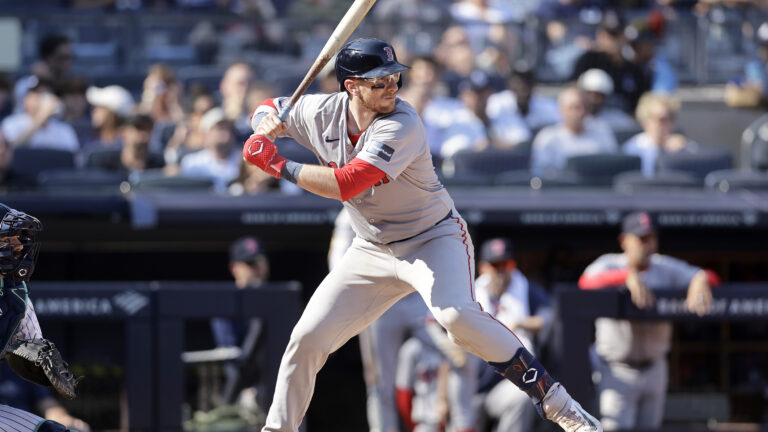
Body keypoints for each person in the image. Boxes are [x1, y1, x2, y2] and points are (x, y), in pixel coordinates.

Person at [243, 38, 601, 432]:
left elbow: (350, 183)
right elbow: (270, 107)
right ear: (352, 87)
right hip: (372, 248)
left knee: (456, 316)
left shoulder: (403, 122)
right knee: (306, 338)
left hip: (432, 238)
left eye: (394, 76)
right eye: (380, 81)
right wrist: (264, 124)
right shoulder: (319, 111)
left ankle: (557, 401)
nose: (392, 86)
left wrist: (276, 162)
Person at [578, 211, 715, 431]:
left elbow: (708, 276)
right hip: (617, 369)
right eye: (641, 239)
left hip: (655, 367)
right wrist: (625, 276)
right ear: (624, 241)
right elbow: (585, 283)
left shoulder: (664, 266)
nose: (647, 244)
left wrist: (700, 279)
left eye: (651, 238)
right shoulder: (610, 263)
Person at [0, 203, 81, 431]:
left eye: (18, 238)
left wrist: (28, 352)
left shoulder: (14, 291)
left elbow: (27, 346)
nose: (18, 246)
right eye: (7, 239)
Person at [473, 238, 554, 432]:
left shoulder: (526, 290)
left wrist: (518, 323)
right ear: (483, 267)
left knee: (521, 397)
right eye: (495, 264)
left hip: (504, 385)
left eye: (506, 263)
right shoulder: (469, 292)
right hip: (470, 384)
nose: (501, 270)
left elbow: (548, 317)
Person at [530, 87, 617, 177]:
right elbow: (542, 174)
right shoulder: (547, 138)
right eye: (574, 107)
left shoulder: (602, 131)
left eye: (583, 106)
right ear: (561, 110)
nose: (580, 112)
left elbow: (612, 165)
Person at [621, 92, 697, 177]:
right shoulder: (632, 149)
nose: (660, 125)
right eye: (656, 119)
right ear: (645, 121)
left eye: (666, 119)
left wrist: (681, 154)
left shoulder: (685, 148)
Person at [2, 79, 79, 152]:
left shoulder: (64, 129)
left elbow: (73, 158)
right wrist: (41, 117)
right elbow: (9, 149)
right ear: (25, 100)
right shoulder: (11, 123)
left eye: (47, 94)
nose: (44, 99)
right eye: (38, 94)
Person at [179, 107, 242, 193]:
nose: (225, 133)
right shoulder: (191, 163)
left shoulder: (244, 162)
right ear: (206, 134)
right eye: (219, 129)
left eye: (228, 129)